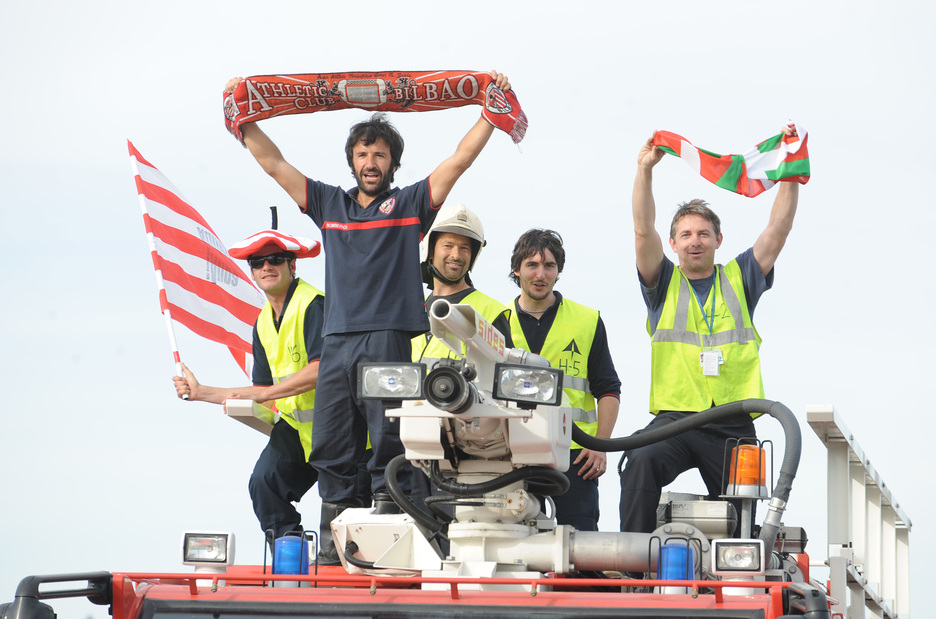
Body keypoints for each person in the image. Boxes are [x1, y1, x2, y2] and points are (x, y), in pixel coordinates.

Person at [224, 72, 513, 562]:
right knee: (331, 444)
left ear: (393, 163)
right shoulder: (329, 203)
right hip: (337, 341)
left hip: (386, 339)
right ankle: (335, 547)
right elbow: (274, 164)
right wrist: (241, 118)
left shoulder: (410, 204)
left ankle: (393, 535)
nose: (370, 162)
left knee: (387, 439)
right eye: (362, 154)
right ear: (352, 161)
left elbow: (459, 160)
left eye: (380, 154)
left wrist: (490, 112)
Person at [619, 127, 800, 534]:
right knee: (639, 459)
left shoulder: (740, 277)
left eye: (703, 234)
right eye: (685, 235)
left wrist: (789, 171)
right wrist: (644, 170)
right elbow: (642, 230)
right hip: (676, 420)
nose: (695, 242)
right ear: (673, 244)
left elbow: (778, 228)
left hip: (732, 423)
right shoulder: (662, 282)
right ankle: (633, 559)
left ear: (719, 239)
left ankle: (741, 566)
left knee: (744, 515)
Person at [172, 230, 370, 550]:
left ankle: (347, 576)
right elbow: (261, 390)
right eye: (257, 262)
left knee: (349, 523)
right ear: (251, 272)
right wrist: (202, 392)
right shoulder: (263, 322)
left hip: (343, 430)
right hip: (299, 430)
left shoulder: (314, 305)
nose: (266, 266)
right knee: (265, 484)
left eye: (276, 259)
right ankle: (291, 561)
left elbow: (322, 369)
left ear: (293, 265)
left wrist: (266, 394)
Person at [507, 229, 621, 532]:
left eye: (549, 266)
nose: (541, 274)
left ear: (558, 271)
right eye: (532, 265)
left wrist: (600, 446)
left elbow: (608, 389)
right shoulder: (497, 321)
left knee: (581, 544)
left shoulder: (587, 321)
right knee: (512, 540)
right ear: (516, 269)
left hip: (574, 454)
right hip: (511, 453)